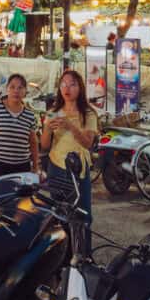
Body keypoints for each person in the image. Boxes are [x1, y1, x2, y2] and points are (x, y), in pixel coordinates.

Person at [40, 70, 98, 240]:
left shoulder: (88, 113)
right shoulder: (53, 112)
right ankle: (64, 260)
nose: (67, 88)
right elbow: (44, 146)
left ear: (80, 87)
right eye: (63, 84)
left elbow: (87, 143)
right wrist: (47, 130)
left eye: (72, 84)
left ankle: (83, 258)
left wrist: (70, 126)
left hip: (78, 170)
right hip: (56, 167)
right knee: (60, 215)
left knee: (82, 215)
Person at [0, 73, 38, 178]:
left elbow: (33, 142)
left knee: (20, 195)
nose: (16, 91)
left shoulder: (30, 115)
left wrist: (35, 166)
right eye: (12, 87)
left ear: (25, 92)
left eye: (20, 88)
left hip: (22, 167)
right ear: (7, 89)